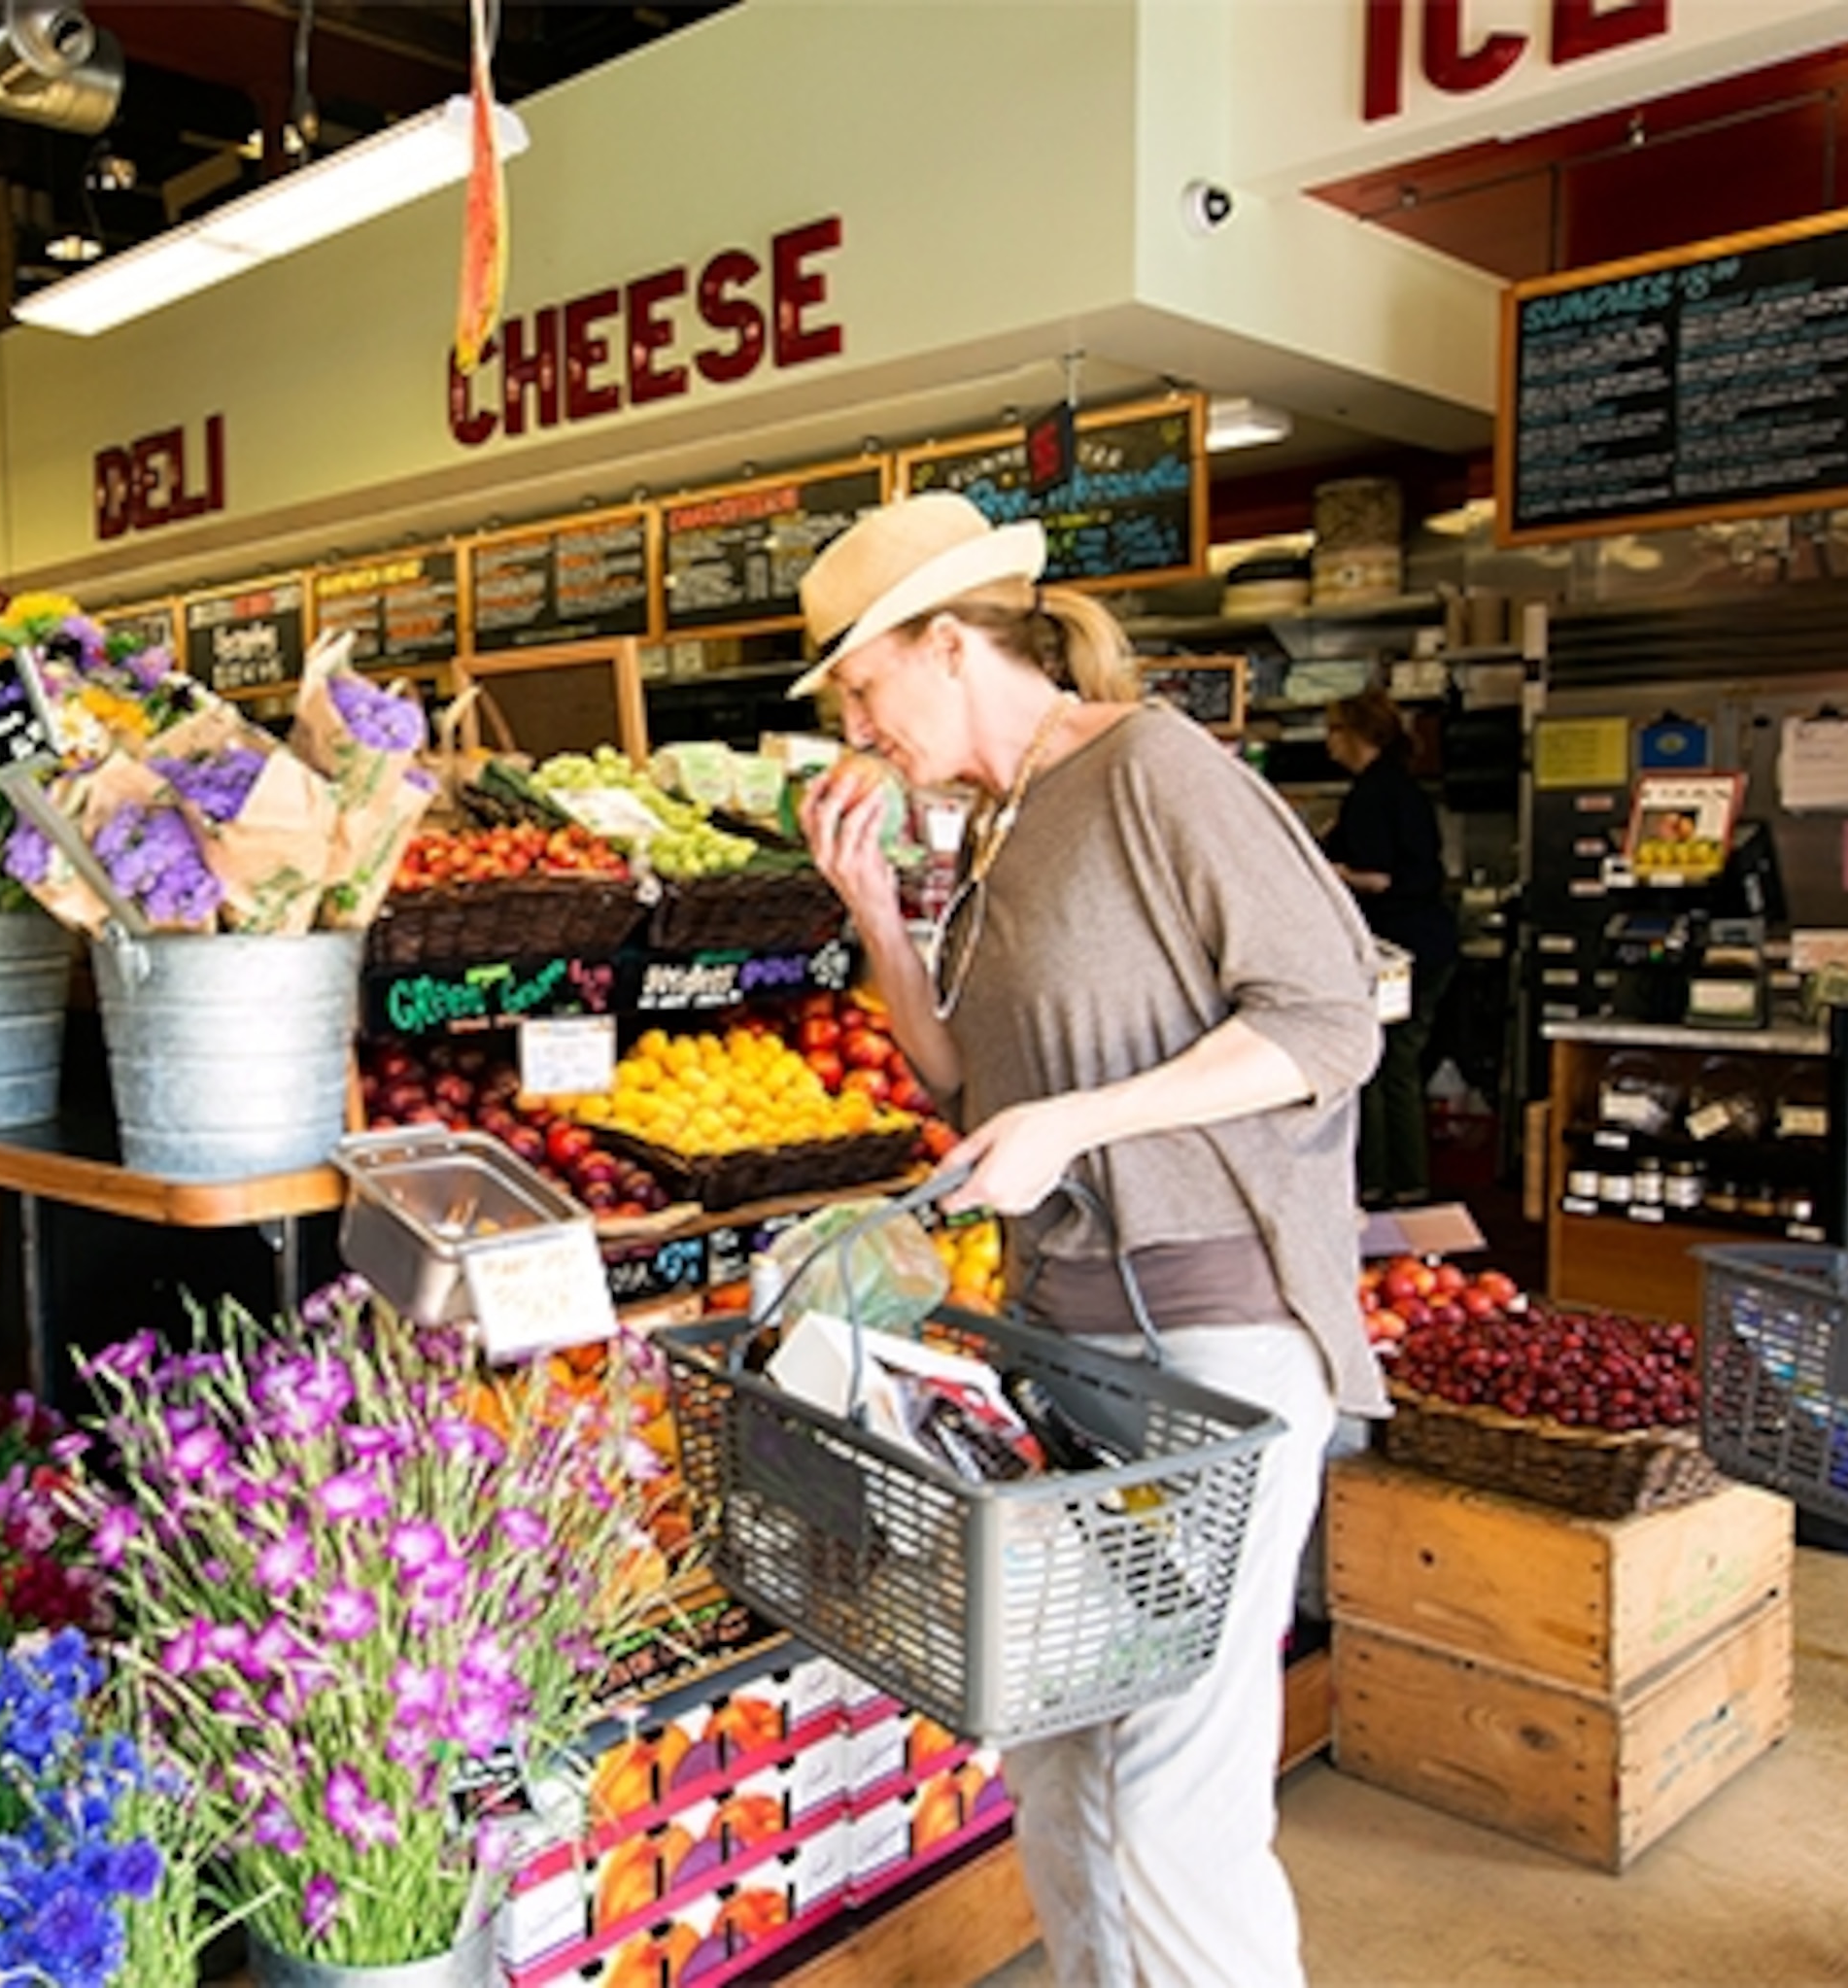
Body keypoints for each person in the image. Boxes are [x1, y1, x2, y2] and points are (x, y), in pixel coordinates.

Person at [791, 492, 1384, 1988]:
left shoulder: (1156, 770)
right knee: (1060, 1751)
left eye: (863, 684)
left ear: (947, 644)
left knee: (1176, 1784)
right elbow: (958, 1086)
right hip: (1073, 1347)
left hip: (1214, 1341)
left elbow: (1327, 1018)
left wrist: (1088, 1119)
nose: (858, 722)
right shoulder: (999, 826)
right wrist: (870, 903)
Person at [1321, 689, 1458, 1208]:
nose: (1328, 742)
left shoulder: (1371, 796)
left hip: (1397, 951)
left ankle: (1381, 1182)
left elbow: (1377, 878)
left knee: (1380, 1068)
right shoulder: (1402, 789)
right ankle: (1406, 1180)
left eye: (1335, 730)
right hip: (1430, 944)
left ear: (1358, 735)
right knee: (1400, 1066)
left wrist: (1331, 873)